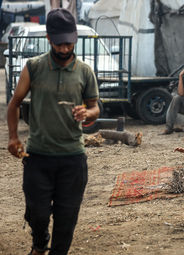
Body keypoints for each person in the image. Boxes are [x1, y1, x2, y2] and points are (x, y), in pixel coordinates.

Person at [7, 8, 100, 255]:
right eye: (59, 44)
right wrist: (13, 137)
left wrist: (86, 113)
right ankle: (40, 242)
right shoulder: (34, 67)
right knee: (37, 212)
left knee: (66, 217)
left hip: (72, 158)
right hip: (38, 156)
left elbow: (95, 108)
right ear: (49, 39)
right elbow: (14, 104)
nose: (65, 49)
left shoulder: (84, 71)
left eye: (69, 43)